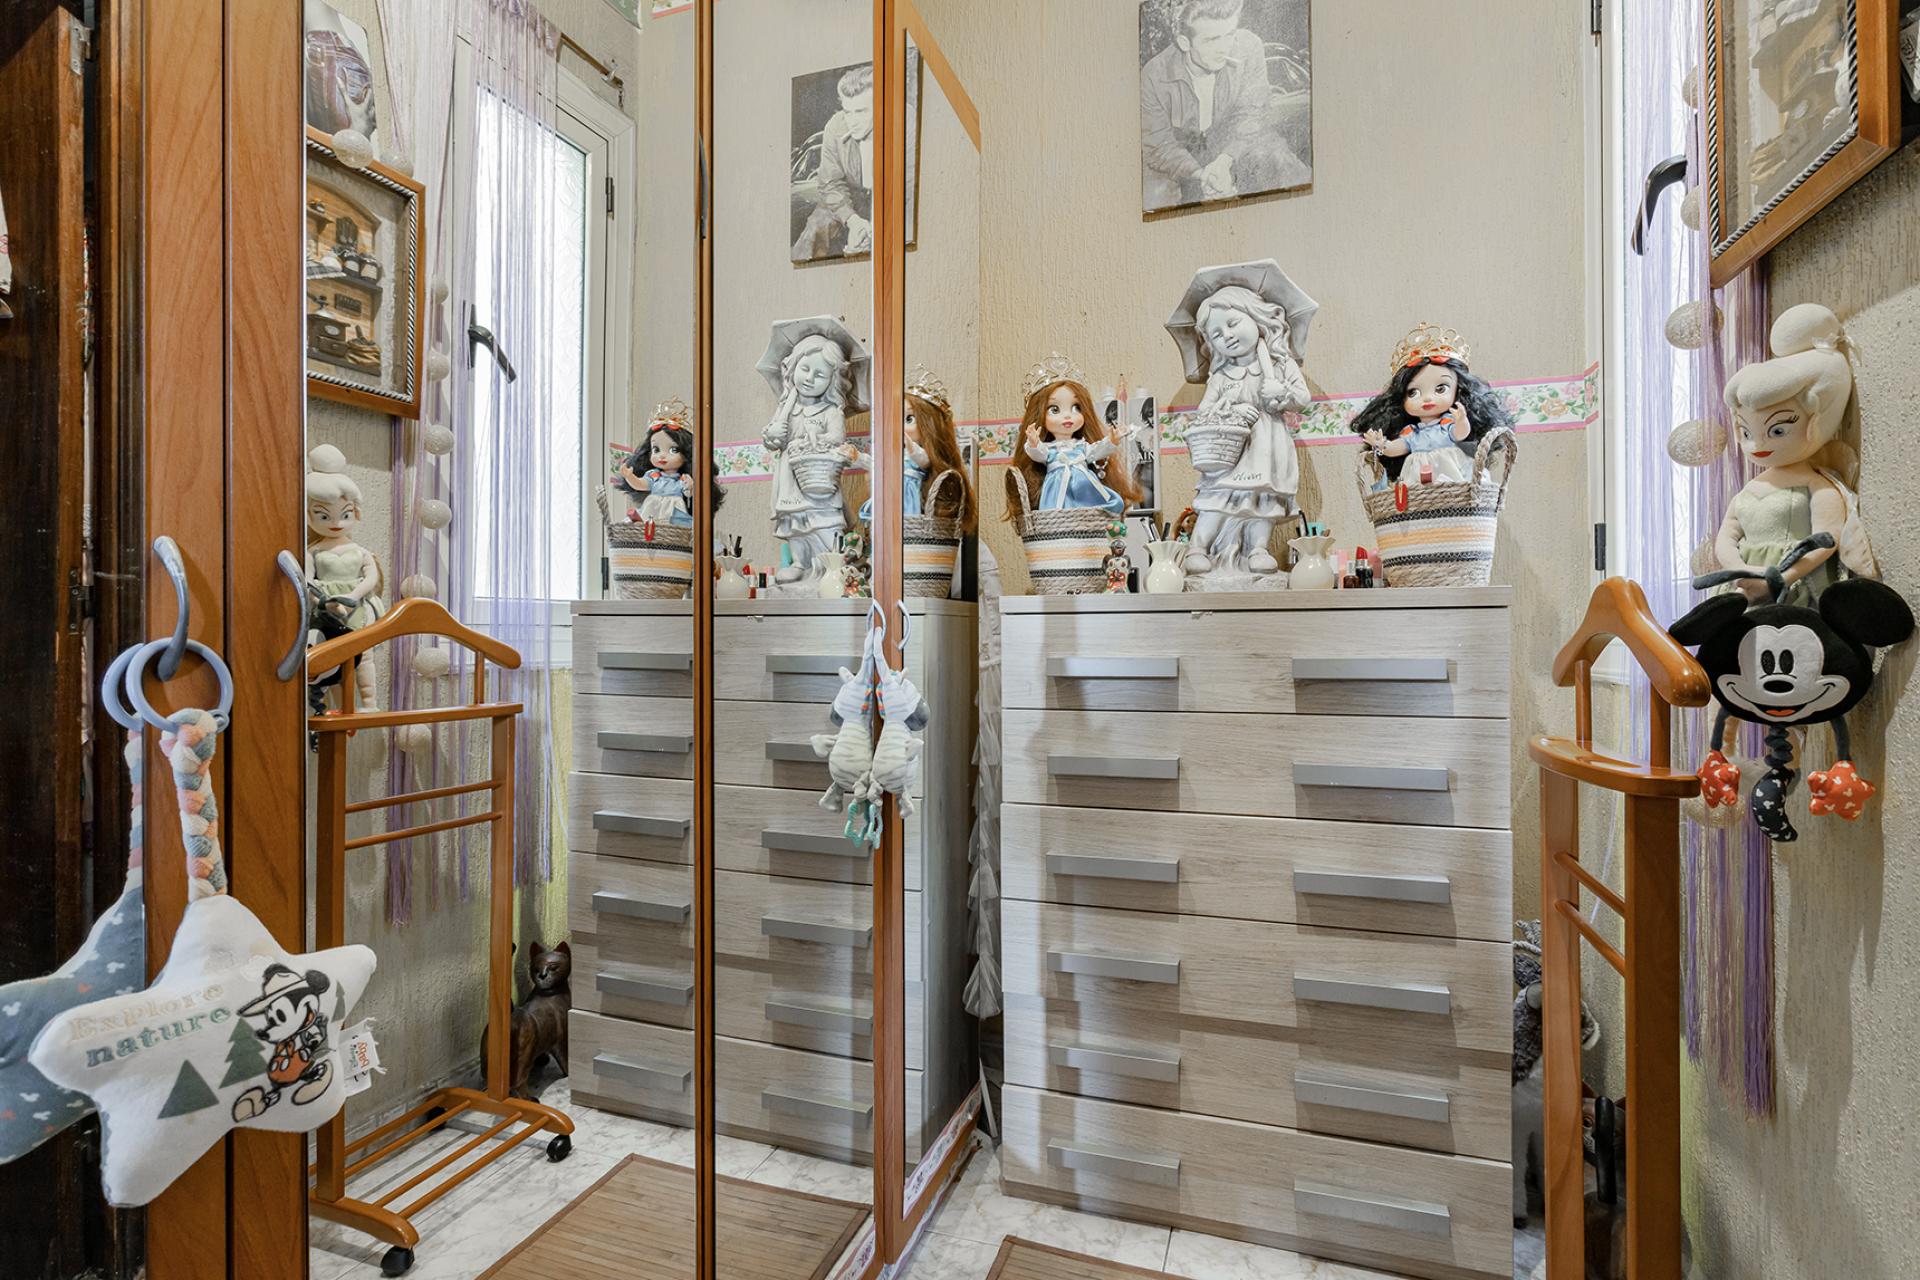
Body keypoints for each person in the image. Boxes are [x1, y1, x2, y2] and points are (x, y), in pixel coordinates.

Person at [1140, 0, 1310, 211]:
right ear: (1185, 43)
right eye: (1211, 40)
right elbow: (1158, 145)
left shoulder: (1247, 47)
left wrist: (1225, 160)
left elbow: (1253, 114)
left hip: (1229, 141)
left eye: (1229, 35)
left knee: (1284, 164)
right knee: (1153, 197)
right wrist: (1201, 175)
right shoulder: (1154, 75)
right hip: (1178, 153)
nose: (1224, 49)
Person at [793, 64, 876, 259]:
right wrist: (853, 220)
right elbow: (830, 183)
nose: (852, 121)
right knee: (816, 227)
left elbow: (908, 186)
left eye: (861, 112)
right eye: (848, 112)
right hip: (848, 199)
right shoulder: (836, 126)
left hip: (889, 200)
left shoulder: (904, 122)